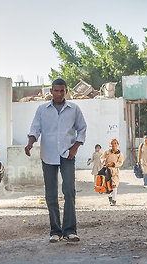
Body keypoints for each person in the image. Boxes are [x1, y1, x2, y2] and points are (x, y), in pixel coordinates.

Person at [25, 78, 87, 243]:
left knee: (69, 191)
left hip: (67, 155)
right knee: (51, 195)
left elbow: (82, 129)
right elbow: (35, 129)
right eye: (56, 90)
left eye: (62, 90)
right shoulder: (42, 110)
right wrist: (30, 143)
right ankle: (55, 231)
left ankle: (70, 231)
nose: (59, 93)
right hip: (48, 155)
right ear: (51, 91)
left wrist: (74, 149)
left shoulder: (74, 109)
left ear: (66, 91)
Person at [101, 138, 124, 206]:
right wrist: (103, 162)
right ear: (110, 145)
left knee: (114, 184)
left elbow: (120, 162)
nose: (113, 145)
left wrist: (113, 164)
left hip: (115, 171)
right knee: (107, 185)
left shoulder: (119, 154)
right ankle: (110, 196)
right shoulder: (107, 152)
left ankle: (114, 199)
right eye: (112, 144)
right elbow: (101, 158)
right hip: (107, 170)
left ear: (117, 144)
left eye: (115, 143)